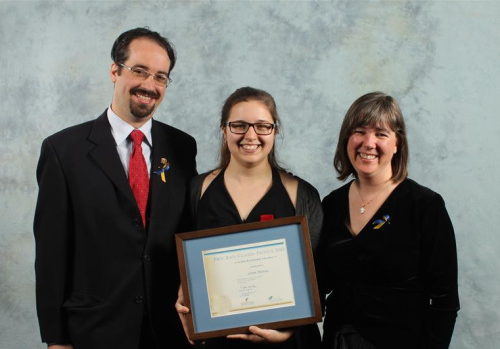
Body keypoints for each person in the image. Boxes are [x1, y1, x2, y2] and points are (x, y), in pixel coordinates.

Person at [33, 27, 197, 349]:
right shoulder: (63, 151)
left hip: (169, 331)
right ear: (114, 71)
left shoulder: (182, 147)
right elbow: (51, 254)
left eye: (161, 77)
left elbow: (187, 233)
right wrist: (56, 339)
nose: (149, 85)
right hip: (94, 331)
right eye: (140, 71)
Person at [176, 86, 323, 348]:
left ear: (274, 130)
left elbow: (316, 279)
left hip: (286, 343)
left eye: (262, 126)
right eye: (239, 125)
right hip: (217, 340)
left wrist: (287, 332)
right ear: (224, 130)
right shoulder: (197, 190)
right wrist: (182, 290)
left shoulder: (302, 195)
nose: (251, 135)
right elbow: (181, 261)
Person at [317, 92, 459, 348]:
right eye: (359, 131)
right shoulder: (331, 204)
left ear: (397, 144)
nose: (368, 143)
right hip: (337, 342)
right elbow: (317, 284)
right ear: (347, 139)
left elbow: (445, 302)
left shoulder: (425, 206)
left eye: (381, 134)